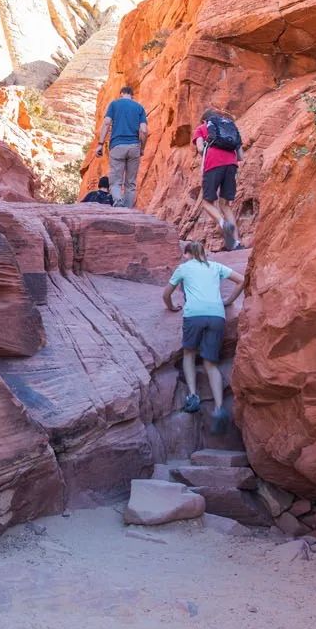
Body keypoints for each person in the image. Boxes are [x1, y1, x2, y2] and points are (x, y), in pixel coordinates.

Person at [163, 240, 245, 434]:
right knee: (211, 363)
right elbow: (242, 280)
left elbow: (166, 294)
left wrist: (171, 307)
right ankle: (219, 408)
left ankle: (193, 397)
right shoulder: (215, 266)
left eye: (185, 255)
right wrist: (229, 301)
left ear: (188, 254)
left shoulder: (183, 268)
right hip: (217, 316)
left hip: (194, 315)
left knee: (189, 353)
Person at [193, 107, 244, 251]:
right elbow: (241, 156)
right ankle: (235, 242)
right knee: (225, 204)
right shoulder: (231, 128)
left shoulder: (201, 128)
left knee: (207, 202)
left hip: (213, 164)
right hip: (231, 165)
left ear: (204, 120)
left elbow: (200, 149)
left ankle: (223, 223)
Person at [94, 86, 148, 208]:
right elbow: (144, 130)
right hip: (134, 147)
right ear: (132, 96)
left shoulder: (114, 104)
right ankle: (128, 210)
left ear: (121, 94)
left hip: (117, 146)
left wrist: (100, 144)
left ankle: (118, 203)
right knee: (131, 183)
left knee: (115, 181)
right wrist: (142, 148)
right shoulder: (139, 107)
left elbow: (106, 123)